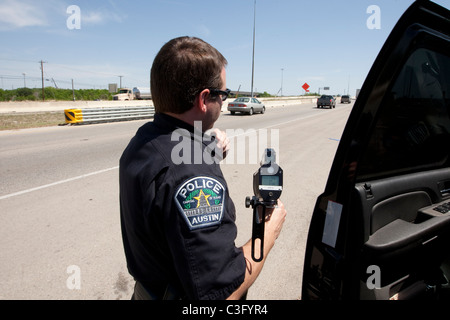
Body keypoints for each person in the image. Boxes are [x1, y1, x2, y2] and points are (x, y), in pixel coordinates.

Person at [119, 36, 286, 300]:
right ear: (204, 99)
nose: (224, 102)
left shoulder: (143, 140)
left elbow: (168, 175)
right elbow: (221, 294)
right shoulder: (192, 173)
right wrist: (268, 232)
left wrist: (204, 147)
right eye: (224, 95)